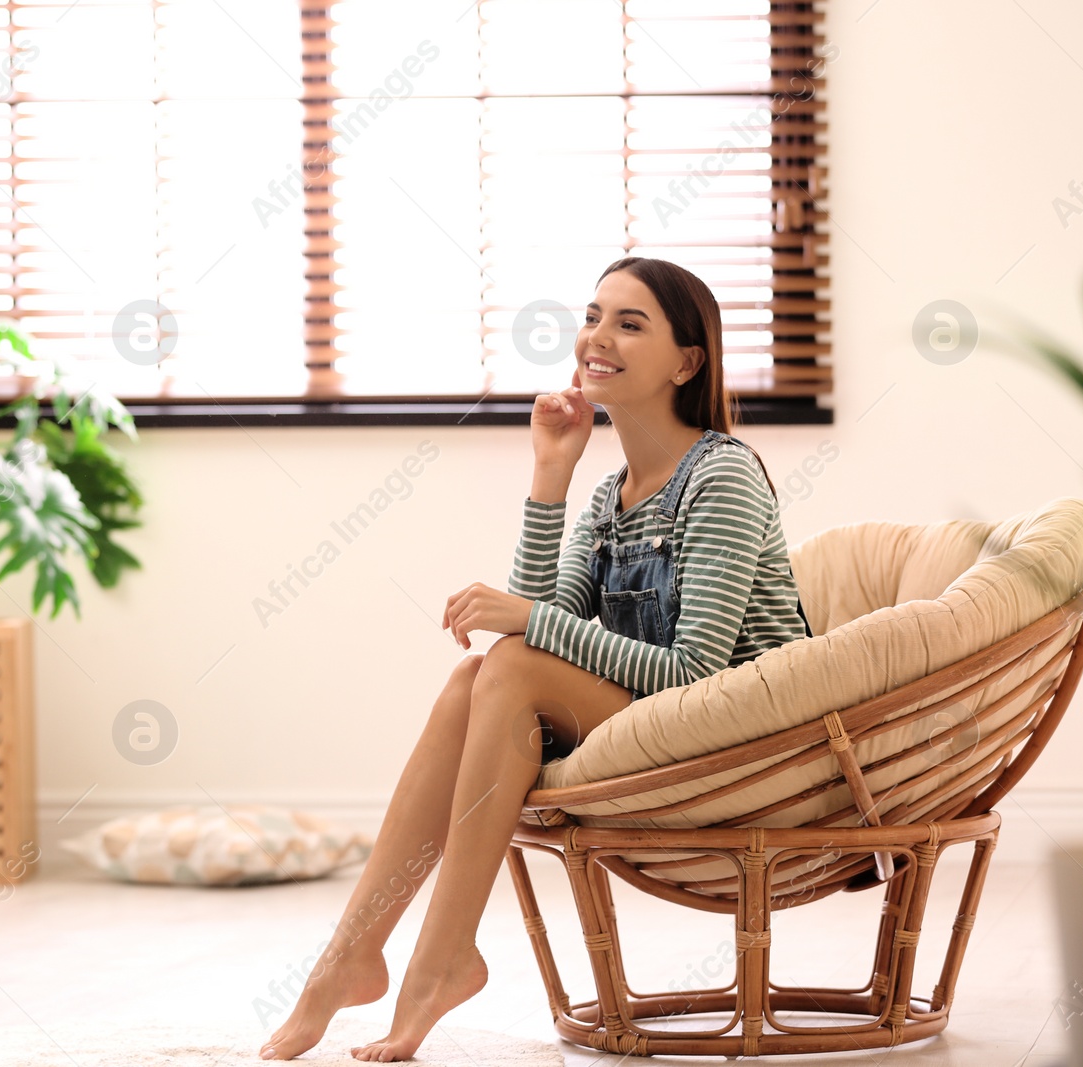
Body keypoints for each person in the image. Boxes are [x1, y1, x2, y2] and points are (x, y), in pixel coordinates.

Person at [259, 255, 812, 1062]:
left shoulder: (721, 475)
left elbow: (699, 677)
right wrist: (550, 475)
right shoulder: (609, 494)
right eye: (593, 316)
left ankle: (438, 960)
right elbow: (522, 636)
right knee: (473, 676)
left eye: (630, 323)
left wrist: (526, 621)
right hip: (662, 723)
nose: (597, 336)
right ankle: (353, 956)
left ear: (687, 361)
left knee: (509, 666)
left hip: (745, 745)